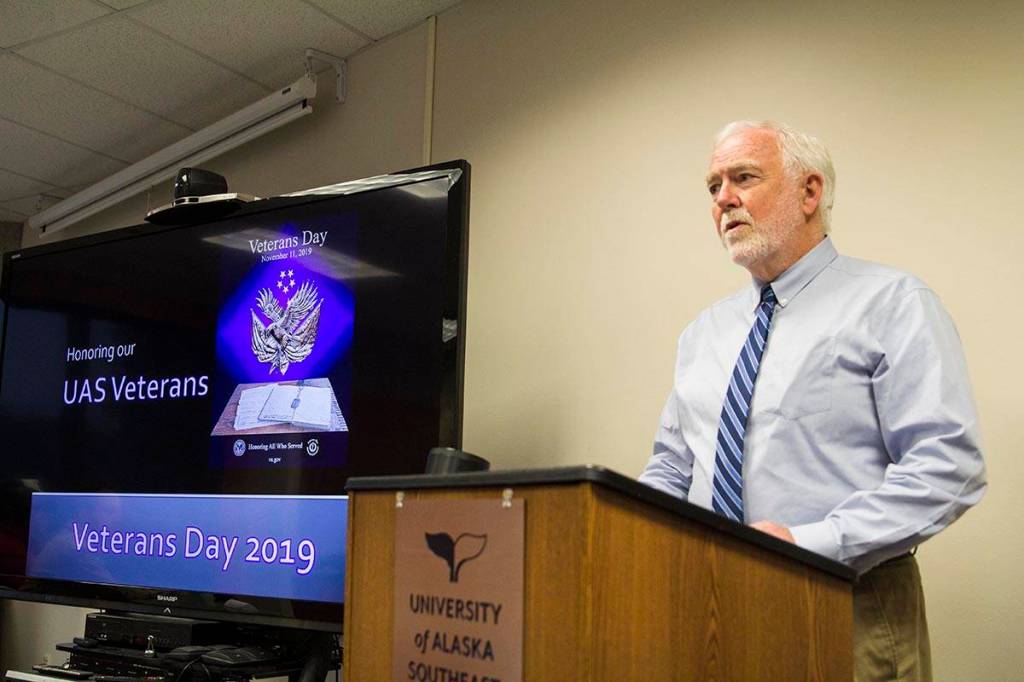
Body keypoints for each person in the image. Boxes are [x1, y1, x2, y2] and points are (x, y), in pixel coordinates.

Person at [638, 120, 986, 681]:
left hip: (848, 603)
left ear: (809, 192)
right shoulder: (704, 333)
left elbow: (948, 466)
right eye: (712, 186)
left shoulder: (892, 303)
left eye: (743, 178)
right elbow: (674, 466)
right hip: (713, 608)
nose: (723, 199)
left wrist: (806, 544)